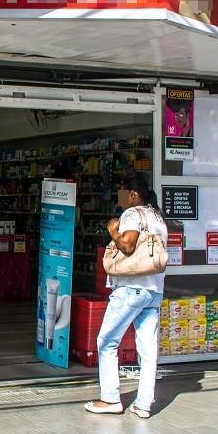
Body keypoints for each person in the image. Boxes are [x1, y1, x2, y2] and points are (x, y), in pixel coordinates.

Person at [84, 175, 166, 419]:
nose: (119, 197)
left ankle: (110, 399)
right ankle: (143, 404)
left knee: (107, 341)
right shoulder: (158, 217)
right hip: (154, 290)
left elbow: (128, 245)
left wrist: (112, 229)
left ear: (132, 194)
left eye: (121, 192)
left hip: (131, 288)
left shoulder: (132, 214)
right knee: (148, 350)